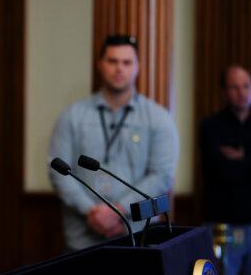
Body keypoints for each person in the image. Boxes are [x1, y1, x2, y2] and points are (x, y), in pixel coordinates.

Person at [47, 34, 179, 251]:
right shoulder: (72, 116)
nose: (119, 68)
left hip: (138, 236)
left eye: (127, 62)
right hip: (83, 238)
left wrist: (118, 210)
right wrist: (92, 211)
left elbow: (162, 175)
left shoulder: (159, 118)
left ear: (137, 67)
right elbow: (57, 170)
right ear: (100, 65)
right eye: (112, 61)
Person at [200, 65, 251, 275]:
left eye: (246, 86)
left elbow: (233, 168)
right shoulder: (211, 126)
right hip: (222, 224)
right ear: (224, 91)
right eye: (234, 86)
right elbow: (220, 170)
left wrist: (239, 158)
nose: (241, 92)